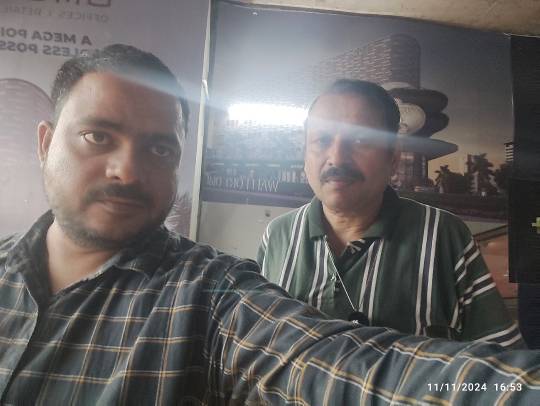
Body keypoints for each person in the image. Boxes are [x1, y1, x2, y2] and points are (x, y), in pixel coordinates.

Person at [1, 45, 539, 405]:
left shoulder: (208, 292)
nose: (126, 170)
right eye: (97, 136)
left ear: (393, 157)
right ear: (45, 143)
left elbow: (317, 360)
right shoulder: (279, 236)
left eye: (159, 148)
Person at [258, 79, 523, 347]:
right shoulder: (278, 236)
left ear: (393, 158)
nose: (336, 158)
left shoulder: (443, 236)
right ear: (305, 156)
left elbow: (500, 362)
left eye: (360, 140)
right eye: (322, 140)